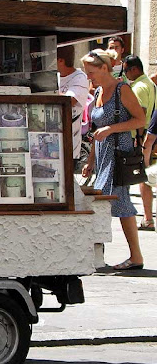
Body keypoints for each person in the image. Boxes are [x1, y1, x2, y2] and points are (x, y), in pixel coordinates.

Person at [81, 49, 145, 271]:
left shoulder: (122, 89)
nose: (88, 76)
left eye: (91, 72)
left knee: (119, 201)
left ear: (104, 68)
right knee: (105, 203)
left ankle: (135, 256)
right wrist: (90, 160)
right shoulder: (98, 90)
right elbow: (97, 129)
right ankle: (98, 255)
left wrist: (111, 129)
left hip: (118, 153)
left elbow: (140, 119)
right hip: (103, 154)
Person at [122, 55, 157, 231]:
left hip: (140, 138)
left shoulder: (140, 87)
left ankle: (148, 218)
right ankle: (148, 218)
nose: (125, 74)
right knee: (146, 179)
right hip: (147, 137)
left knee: (142, 178)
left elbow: (140, 115)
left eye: (126, 70)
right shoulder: (149, 84)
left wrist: (140, 140)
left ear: (135, 69)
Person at [57, 45, 90, 167]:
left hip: (69, 145)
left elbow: (69, 100)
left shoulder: (80, 78)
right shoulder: (55, 77)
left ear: (61, 60)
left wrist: (48, 94)